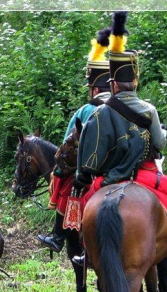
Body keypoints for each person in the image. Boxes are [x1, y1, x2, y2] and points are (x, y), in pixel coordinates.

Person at [73, 11, 167, 266]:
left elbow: (92, 157)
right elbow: (159, 144)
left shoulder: (100, 112)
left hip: (111, 177)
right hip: (146, 175)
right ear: (135, 82)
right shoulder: (149, 109)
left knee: (88, 201)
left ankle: (86, 251)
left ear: (113, 83)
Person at [37, 26, 113, 253]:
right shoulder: (124, 107)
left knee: (64, 184)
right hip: (122, 167)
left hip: (91, 171)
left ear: (94, 88)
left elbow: (66, 146)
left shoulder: (85, 111)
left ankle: (58, 236)